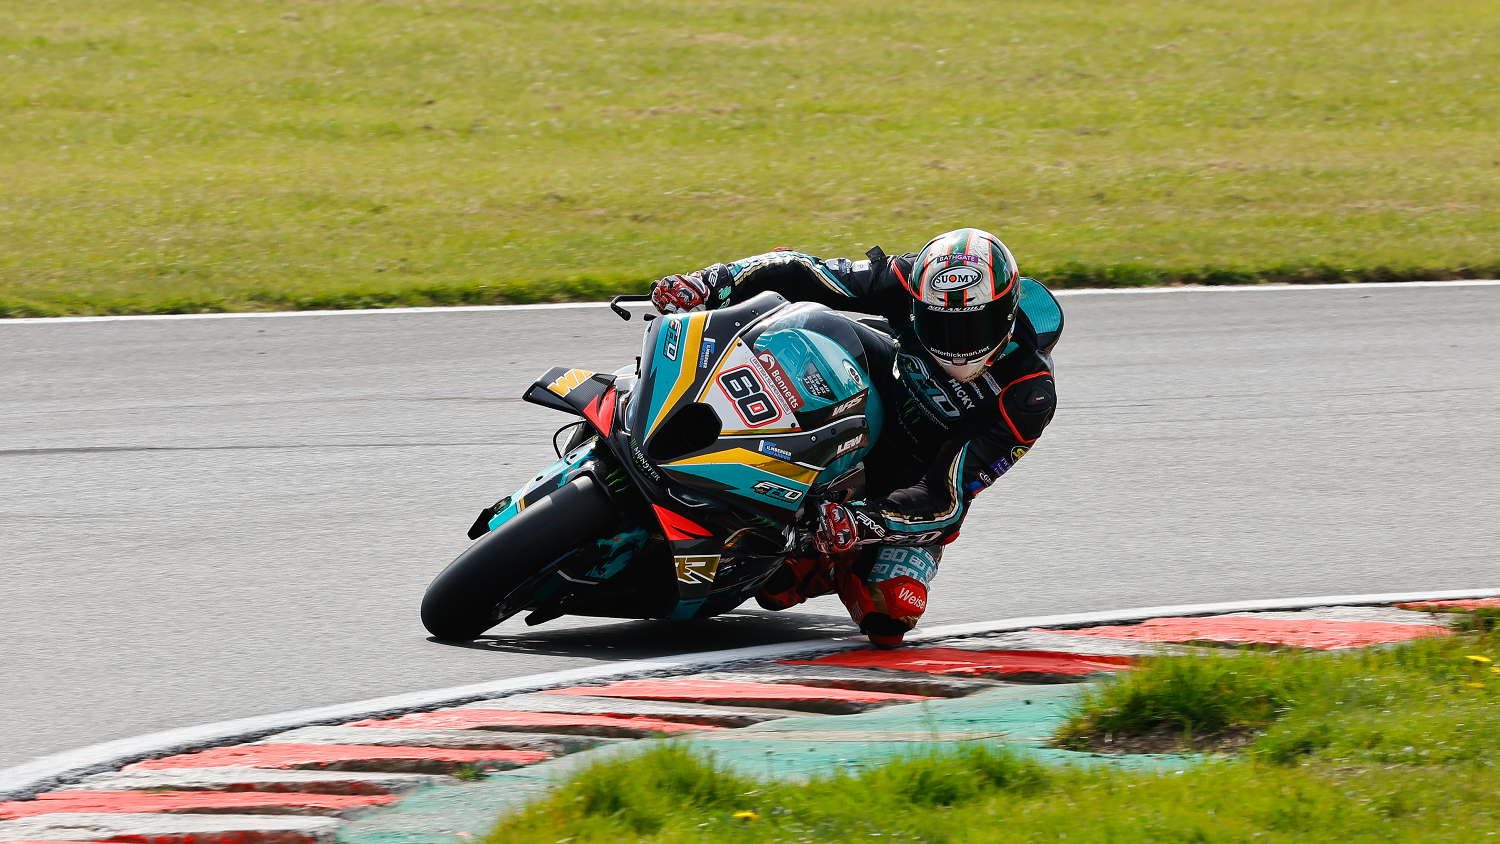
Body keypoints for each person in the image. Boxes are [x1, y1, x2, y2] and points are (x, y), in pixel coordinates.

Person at [650, 229, 1062, 646]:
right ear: (919, 303)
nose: (956, 347)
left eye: (973, 327)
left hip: (908, 482)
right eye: (940, 324)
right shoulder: (908, 278)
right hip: (880, 390)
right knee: (801, 324)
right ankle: (669, 398)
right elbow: (809, 272)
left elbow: (947, 497)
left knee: (889, 612)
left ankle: (826, 560)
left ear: (1007, 315)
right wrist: (710, 282)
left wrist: (864, 522)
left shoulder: (1028, 396)